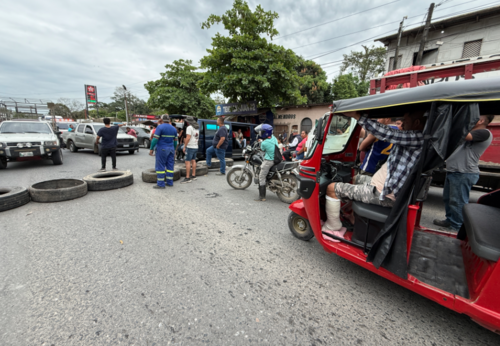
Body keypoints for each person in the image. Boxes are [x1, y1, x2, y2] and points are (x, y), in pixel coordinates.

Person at [323, 110, 427, 241]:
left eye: (405, 121)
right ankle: (353, 217)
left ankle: (332, 227)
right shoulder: (416, 139)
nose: (401, 125)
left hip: (383, 194)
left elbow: (387, 133)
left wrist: (356, 115)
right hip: (384, 186)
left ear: (417, 123)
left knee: (332, 188)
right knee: (353, 178)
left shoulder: (416, 137)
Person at [434, 115, 494, 231]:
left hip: (464, 172)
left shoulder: (484, 133)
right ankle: (450, 220)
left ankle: (457, 227)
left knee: (458, 201)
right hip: (454, 170)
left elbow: (464, 135)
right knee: (448, 199)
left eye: (476, 116)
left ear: (481, 121)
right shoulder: (472, 132)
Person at [149, 114, 178, 189]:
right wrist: (174, 150)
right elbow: (175, 141)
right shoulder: (174, 128)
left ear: (161, 119)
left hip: (162, 149)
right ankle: (170, 182)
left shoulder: (160, 127)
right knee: (170, 166)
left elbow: (155, 139)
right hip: (171, 149)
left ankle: (161, 184)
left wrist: (151, 149)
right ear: (169, 120)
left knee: (160, 166)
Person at [254, 124, 278, 202]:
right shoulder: (273, 137)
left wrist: (261, 142)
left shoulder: (264, 143)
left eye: (262, 132)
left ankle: (262, 197)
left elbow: (262, 149)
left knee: (261, 177)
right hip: (276, 158)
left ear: (266, 133)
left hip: (269, 161)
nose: (260, 133)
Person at [181, 116, 200, 184]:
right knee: (193, 160)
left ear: (188, 122)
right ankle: (193, 175)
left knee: (187, 162)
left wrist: (184, 146)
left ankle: (187, 177)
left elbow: (188, 138)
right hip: (195, 146)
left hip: (190, 147)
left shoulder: (189, 128)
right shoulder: (196, 128)